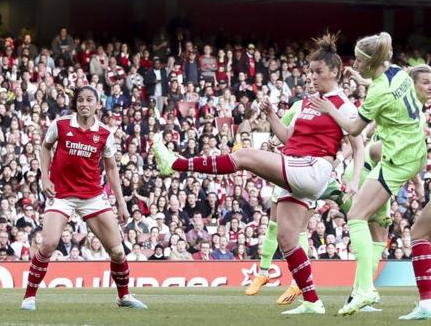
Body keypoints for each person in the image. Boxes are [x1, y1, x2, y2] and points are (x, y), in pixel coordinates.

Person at [154, 33, 363, 315]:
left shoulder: (343, 105)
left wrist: (352, 179)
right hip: (296, 165)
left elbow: (358, 146)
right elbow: (288, 138)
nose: (312, 77)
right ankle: (313, 301)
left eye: (318, 72)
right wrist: (272, 114)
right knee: (287, 238)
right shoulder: (307, 103)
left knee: (243, 156)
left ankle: (177, 163)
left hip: (313, 170)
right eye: (310, 72)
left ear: (335, 72)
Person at [310, 33, 426, 315]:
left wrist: (329, 108)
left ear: (371, 61)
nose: (356, 64)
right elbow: (381, 85)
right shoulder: (399, 73)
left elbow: (352, 129)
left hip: (396, 160)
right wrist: (363, 82)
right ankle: (365, 289)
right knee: (376, 222)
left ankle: (363, 290)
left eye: (360, 60)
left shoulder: (378, 92)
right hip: (414, 152)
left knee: (356, 216)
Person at [20, 86, 147, 311]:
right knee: (48, 243)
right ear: (75, 103)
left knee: (117, 251)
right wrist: (45, 178)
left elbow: (111, 169)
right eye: (80, 100)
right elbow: (45, 147)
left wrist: (121, 202)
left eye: (89, 100)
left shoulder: (105, 134)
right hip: (61, 195)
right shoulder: (60, 125)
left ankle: (124, 296)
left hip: (92, 196)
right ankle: (29, 297)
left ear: (98, 104)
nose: (84, 104)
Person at [245, 95, 361, 306]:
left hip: (315, 172)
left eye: (314, 77)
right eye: (308, 78)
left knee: (300, 228)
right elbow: (286, 133)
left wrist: (339, 159)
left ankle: (298, 284)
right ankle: (263, 273)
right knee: (274, 223)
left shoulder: (335, 107)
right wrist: (272, 141)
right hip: (289, 167)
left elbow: (351, 142)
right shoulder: (299, 106)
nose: (311, 83)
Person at [397, 64, 431, 320]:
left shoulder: (413, 112)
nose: (430, 86)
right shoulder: (415, 110)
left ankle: (427, 303)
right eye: (426, 82)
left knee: (419, 234)